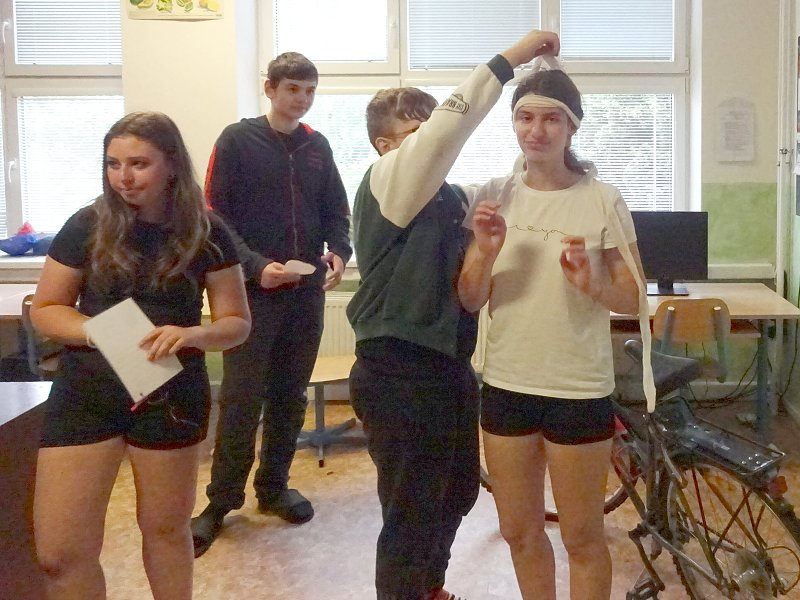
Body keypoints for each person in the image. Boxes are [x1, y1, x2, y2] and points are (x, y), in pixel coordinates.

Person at [346, 29, 561, 600]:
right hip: (395, 371)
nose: (429, 145)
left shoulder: (452, 198)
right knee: (411, 508)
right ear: (385, 147)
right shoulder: (384, 183)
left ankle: (428, 586)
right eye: (413, 135)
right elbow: (448, 129)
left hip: (447, 367)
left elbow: (515, 193)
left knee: (460, 489)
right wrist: (513, 58)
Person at [31, 111, 251, 600]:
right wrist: (98, 332)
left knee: (166, 531)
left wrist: (191, 335)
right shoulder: (86, 224)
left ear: (171, 165)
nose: (123, 177)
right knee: (58, 554)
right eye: (113, 164)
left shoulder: (208, 231)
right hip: (87, 391)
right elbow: (46, 309)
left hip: (169, 393)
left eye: (138, 164)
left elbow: (236, 324)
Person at [457, 67, 644, 600]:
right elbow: (470, 298)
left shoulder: (601, 199)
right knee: (519, 531)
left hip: (577, 387)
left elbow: (633, 298)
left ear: (571, 127)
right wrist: (486, 251)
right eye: (525, 117)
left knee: (582, 537)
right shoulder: (493, 196)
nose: (535, 130)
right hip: (507, 383)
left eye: (550, 119)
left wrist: (593, 285)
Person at [190, 51, 352, 557]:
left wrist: (339, 253)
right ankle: (220, 502)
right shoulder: (237, 140)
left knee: (289, 395)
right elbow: (213, 216)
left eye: (309, 91)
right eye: (292, 89)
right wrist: (256, 265)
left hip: (305, 295)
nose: (302, 99)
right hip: (250, 294)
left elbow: (336, 211)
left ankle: (273, 487)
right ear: (270, 89)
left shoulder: (317, 146)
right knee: (242, 397)